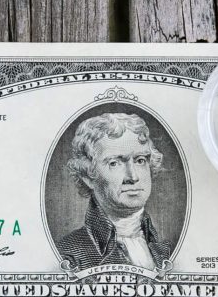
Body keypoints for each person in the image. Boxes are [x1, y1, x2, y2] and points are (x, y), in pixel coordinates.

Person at [56, 113, 173, 270]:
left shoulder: (166, 250)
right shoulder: (69, 253)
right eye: (114, 163)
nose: (133, 177)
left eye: (140, 160)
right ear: (88, 175)